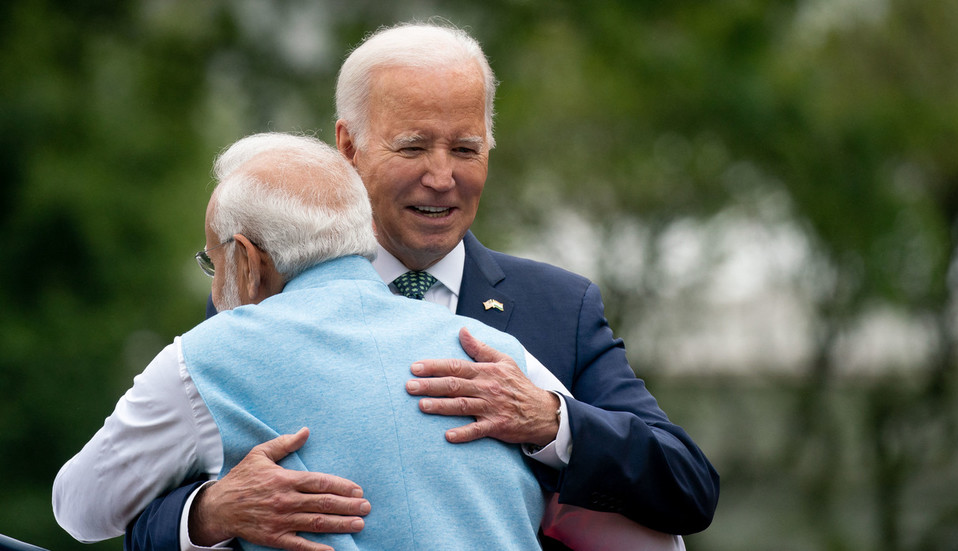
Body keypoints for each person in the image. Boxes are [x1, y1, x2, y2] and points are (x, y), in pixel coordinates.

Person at [128, 22, 719, 551]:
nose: (442, 178)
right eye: (412, 147)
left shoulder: (559, 308)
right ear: (348, 146)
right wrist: (210, 514)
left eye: (466, 149)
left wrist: (549, 421)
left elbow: (688, 487)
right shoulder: (261, 298)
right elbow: (142, 520)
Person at [53, 132, 576, 551]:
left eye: (213, 262)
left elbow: (79, 507)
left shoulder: (207, 358)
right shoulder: (500, 355)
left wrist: (209, 509)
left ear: (247, 260)